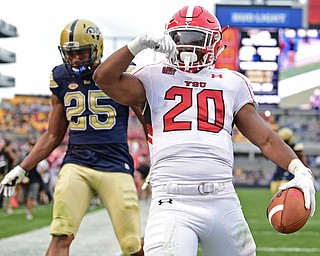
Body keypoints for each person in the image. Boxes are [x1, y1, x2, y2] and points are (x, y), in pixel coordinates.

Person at [93, 5, 316, 256]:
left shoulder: (231, 82)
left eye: (196, 39)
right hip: (171, 200)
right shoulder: (152, 76)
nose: (188, 47)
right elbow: (104, 79)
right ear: (168, 38)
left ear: (214, 42)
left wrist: (299, 169)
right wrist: (138, 44)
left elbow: (265, 138)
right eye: (180, 38)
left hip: (222, 199)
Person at [0, 19, 144, 256]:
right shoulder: (61, 77)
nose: (75, 59)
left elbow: (147, 122)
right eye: (70, 53)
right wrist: (21, 168)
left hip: (116, 165)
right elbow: (54, 134)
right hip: (76, 164)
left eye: (81, 52)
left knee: (131, 244)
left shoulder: (123, 73)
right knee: (60, 233)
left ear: (96, 48)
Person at [270, 127, 308, 194]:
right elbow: (304, 163)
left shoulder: (278, 147)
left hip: (283, 176)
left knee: (278, 196)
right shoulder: (295, 147)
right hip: (287, 175)